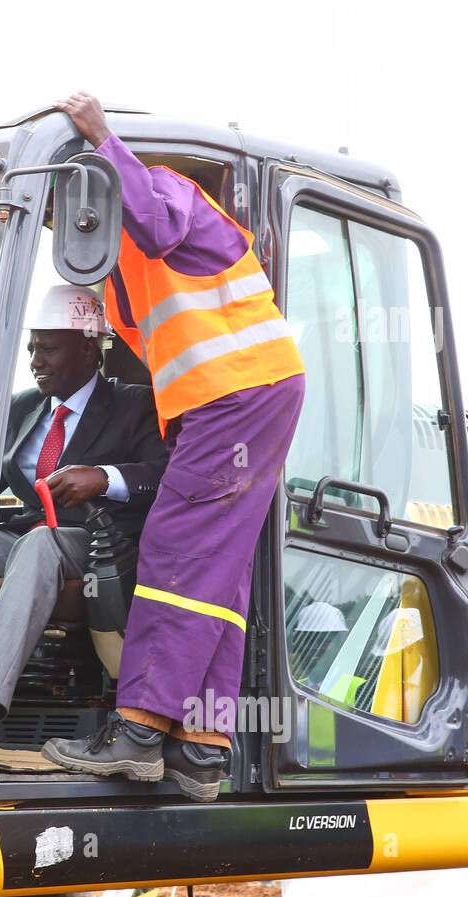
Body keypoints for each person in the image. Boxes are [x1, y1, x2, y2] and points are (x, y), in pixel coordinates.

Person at [41, 93, 307, 801]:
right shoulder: (121, 277)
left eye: (59, 207)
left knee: (177, 549)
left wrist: (101, 137)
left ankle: (136, 731)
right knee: (219, 572)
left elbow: (155, 224)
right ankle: (200, 746)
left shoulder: (161, 190)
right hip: (236, 400)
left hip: (237, 394)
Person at [0, 284, 166, 719]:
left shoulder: (135, 404)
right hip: (31, 531)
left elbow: (166, 474)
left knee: (39, 546)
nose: (35, 362)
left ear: (88, 351)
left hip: (98, 543)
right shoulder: (22, 407)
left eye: (48, 349)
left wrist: (103, 478)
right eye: (31, 349)